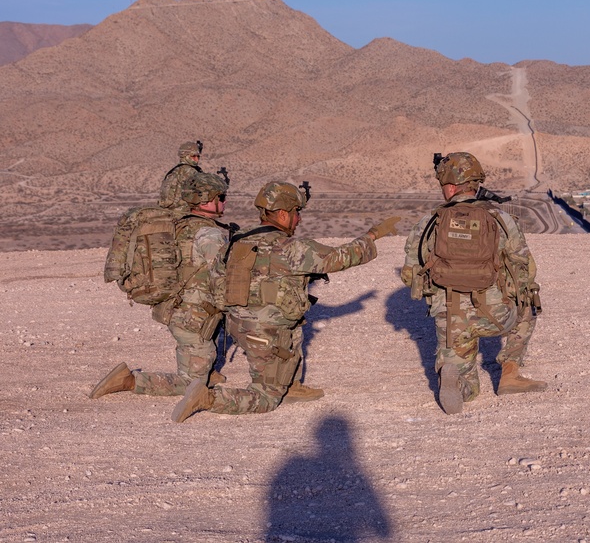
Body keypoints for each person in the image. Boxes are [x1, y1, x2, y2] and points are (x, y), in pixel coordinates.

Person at [172, 181, 400, 423]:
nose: (298, 220)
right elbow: (339, 258)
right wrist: (372, 235)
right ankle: (208, 398)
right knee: (265, 397)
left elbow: (217, 282)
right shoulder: (290, 248)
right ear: (282, 214)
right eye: (296, 213)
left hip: (239, 329)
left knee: (295, 324)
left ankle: (290, 385)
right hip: (266, 336)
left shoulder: (237, 242)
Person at [401, 152, 546, 415]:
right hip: (497, 316)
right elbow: (526, 269)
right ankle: (510, 373)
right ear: (476, 183)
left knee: (467, 387)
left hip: (451, 320)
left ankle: (456, 375)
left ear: (451, 187)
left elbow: (411, 274)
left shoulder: (430, 222)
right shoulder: (501, 219)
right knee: (527, 305)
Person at [90, 171, 234, 400]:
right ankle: (129, 381)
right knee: (191, 384)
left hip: (175, 310)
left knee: (195, 356)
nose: (225, 202)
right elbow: (221, 276)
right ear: (208, 199)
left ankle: (204, 371)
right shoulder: (209, 233)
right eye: (222, 197)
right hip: (194, 316)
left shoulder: (176, 225)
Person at [159, 141, 204, 212]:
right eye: (193, 156)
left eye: (198, 156)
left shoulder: (175, 170)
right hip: (183, 211)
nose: (197, 159)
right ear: (185, 156)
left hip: (169, 209)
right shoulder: (189, 171)